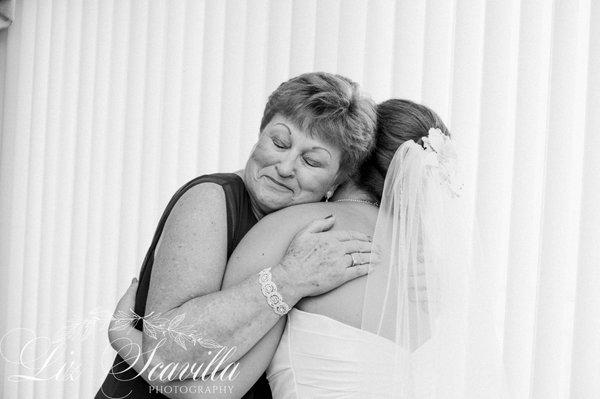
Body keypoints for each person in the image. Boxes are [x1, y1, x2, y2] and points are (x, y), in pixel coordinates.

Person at [109, 98, 508, 398]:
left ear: (349, 162)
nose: (287, 168)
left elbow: (215, 392)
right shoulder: (424, 270)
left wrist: (126, 337)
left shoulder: (304, 232)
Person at [95, 72, 378, 399]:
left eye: (311, 161)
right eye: (279, 142)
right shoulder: (211, 200)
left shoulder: (317, 236)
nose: (285, 167)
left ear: (337, 182)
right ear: (260, 134)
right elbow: (168, 354)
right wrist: (290, 278)